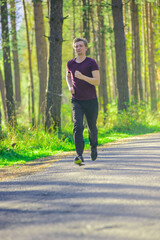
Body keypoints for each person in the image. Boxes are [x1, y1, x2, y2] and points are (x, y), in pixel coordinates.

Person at [66, 37, 100, 165]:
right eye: (76, 46)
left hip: (91, 100)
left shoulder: (91, 63)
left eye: (80, 46)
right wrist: (70, 87)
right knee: (78, 126)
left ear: (86, 47)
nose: (78, 48)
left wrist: (83, 77)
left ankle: (93, 146)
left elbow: (97, 81)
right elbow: (68, 76)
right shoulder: (70, 63)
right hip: (77, 100)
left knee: (92, 128)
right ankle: (79, 155)